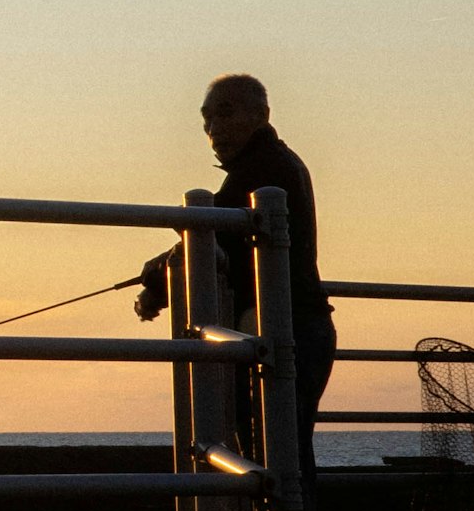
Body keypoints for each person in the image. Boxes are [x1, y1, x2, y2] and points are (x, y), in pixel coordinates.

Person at [135, 72, 334, 464]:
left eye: (225, 115)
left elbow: (209, 238)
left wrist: (153, 280)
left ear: (261, 114)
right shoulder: (276, 162)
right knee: (282, 457)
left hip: (279, 327)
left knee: (272, 460)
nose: (214, 129)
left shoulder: (260, 170)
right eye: (207, 119)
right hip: (297, 325)